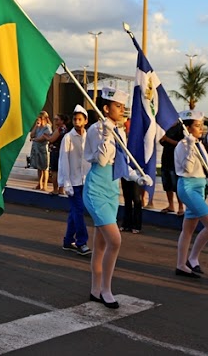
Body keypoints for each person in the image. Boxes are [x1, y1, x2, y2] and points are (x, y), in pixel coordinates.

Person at [83, 87, 151, 308]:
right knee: (115, 240)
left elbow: (122, 164)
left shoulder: (119, 131)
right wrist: (105, 137)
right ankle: (106, 289)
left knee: (101, 244)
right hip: (96, 189)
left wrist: (138, 178)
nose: (122, 110)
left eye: (123, 106)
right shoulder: (96, 130)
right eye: (118, 106)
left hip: (112, 190)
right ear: (105, 108)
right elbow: (101, 161)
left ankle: (95, 289)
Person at [174, 110, 208, 278]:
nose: (201, 128)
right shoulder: (182, 146)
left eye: (202, 125)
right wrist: (189, 147)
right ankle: (193, 258)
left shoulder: (199, 144)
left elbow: (205, 170)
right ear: (187, 128)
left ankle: (181, 265)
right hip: (187, 186)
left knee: (189, 228)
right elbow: (187, 168)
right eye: (197, 125)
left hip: (199, 185)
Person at [58, 105, 92, 256]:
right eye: (75, 119)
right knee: (78, 211)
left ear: (85, 121)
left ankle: (67, 241)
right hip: (73, 181)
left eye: (80, 119)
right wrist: (66, 182)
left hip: (85, 181)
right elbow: (64, 160)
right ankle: (81, 242)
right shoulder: (68, 138)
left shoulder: (89, 136)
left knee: (74, 212)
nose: (77, 122)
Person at [120, 118, 144, 234]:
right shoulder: (123, 139)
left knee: (136, 199)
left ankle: (137, 224)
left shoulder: (138, 141)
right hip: (125, 171)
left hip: (136, 172)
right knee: (127, 198)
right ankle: (126, 223)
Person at [159, 121, 185, 215]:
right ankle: (171, 205)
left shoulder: (180, 128)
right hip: (166, 158)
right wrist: (162, 140)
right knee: (167, 184)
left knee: (176, 185)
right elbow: (163, 142)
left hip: (175, 160)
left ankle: (180, 206)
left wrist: (167, 139)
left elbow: (181, 144)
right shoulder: (166, 127)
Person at [30, 111, 52, 191]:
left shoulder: (47, 127)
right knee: (39, 167)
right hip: (37, 149)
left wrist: (34, 139)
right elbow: (32, 134)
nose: (39, 120)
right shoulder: (39, 127)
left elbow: (43, 138)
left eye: (40, 119)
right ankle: (40, 183)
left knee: (44, 168)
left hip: (43, 149)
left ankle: (45, 185)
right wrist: (36, 126)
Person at [47, 113, 68, 195]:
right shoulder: (63, 129)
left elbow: (52, 139)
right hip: (61, 151)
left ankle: (56, 189)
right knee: (61, 170)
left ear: (62, 121)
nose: (55, 121)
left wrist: (46, 138)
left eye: (57, 119)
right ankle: (61, 189)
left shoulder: (60, 129)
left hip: (56, 151)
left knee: (55, 171)